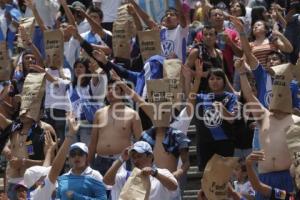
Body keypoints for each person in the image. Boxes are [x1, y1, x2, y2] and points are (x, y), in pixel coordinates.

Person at [236, 53, 300, 199]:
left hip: (288, 178)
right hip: (264, 177)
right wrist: (241, 73)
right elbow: (249, 95)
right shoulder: (263, 115)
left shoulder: (297, 121)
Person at [88, 78, 143, 176]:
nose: (110, 91)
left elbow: (140, 143)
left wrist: (140, 166)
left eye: (115, 89)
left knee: (120, 191)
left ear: (122, 93)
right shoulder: (99, 113)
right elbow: (93, 143)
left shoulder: (133, 114)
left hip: (122, 162)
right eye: (108, 89)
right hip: (100, 161)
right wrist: (87, 166)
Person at [22, 114, 80, 200]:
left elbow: (45, 170)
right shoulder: (41, 192)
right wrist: (70, 136)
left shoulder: (34, 193)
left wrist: (49, 151)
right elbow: (55, 169)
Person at [195, 68, 238, 170]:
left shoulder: (231, 97)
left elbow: (232, 119)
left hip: (225, 142)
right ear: (208, 81)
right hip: (205, 142)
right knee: (206, 176)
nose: (215, 81)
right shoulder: (201, 97)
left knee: (224, 175)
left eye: (218, 78)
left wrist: (222, 109)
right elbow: (188, 94)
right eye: (212, 79)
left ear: (224, 80)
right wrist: (188, 77)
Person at [103, 141, 178, 200]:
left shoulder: (162, 172)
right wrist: (121, 158)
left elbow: (174, 187)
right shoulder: (127, 176)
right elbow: (107, 181)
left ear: (150, 156)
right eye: (133, 157)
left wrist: (154, 173)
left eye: (139, 156)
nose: (135, 161)